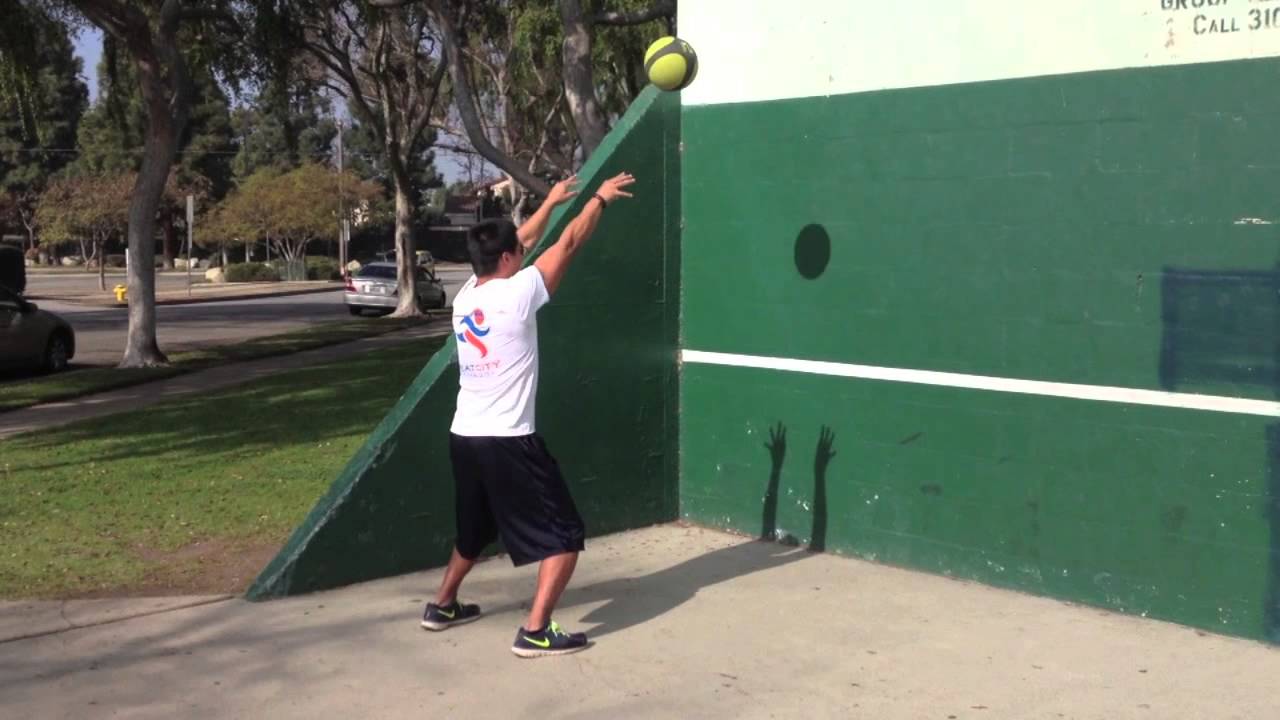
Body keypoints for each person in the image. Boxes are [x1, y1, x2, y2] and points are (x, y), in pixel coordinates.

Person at [421, 171, 637, 658]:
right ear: (506, 261)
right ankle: (536, 630)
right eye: (515, 251)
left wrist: (553, 201)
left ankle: (442, 605)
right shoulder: (520, 295)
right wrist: (598, 199)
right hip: (507, 440)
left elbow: (523, 240)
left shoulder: (466, 299)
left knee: (475, 531)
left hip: (465, 436)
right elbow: (569, 241)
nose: (521, 251)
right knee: (564, 536)